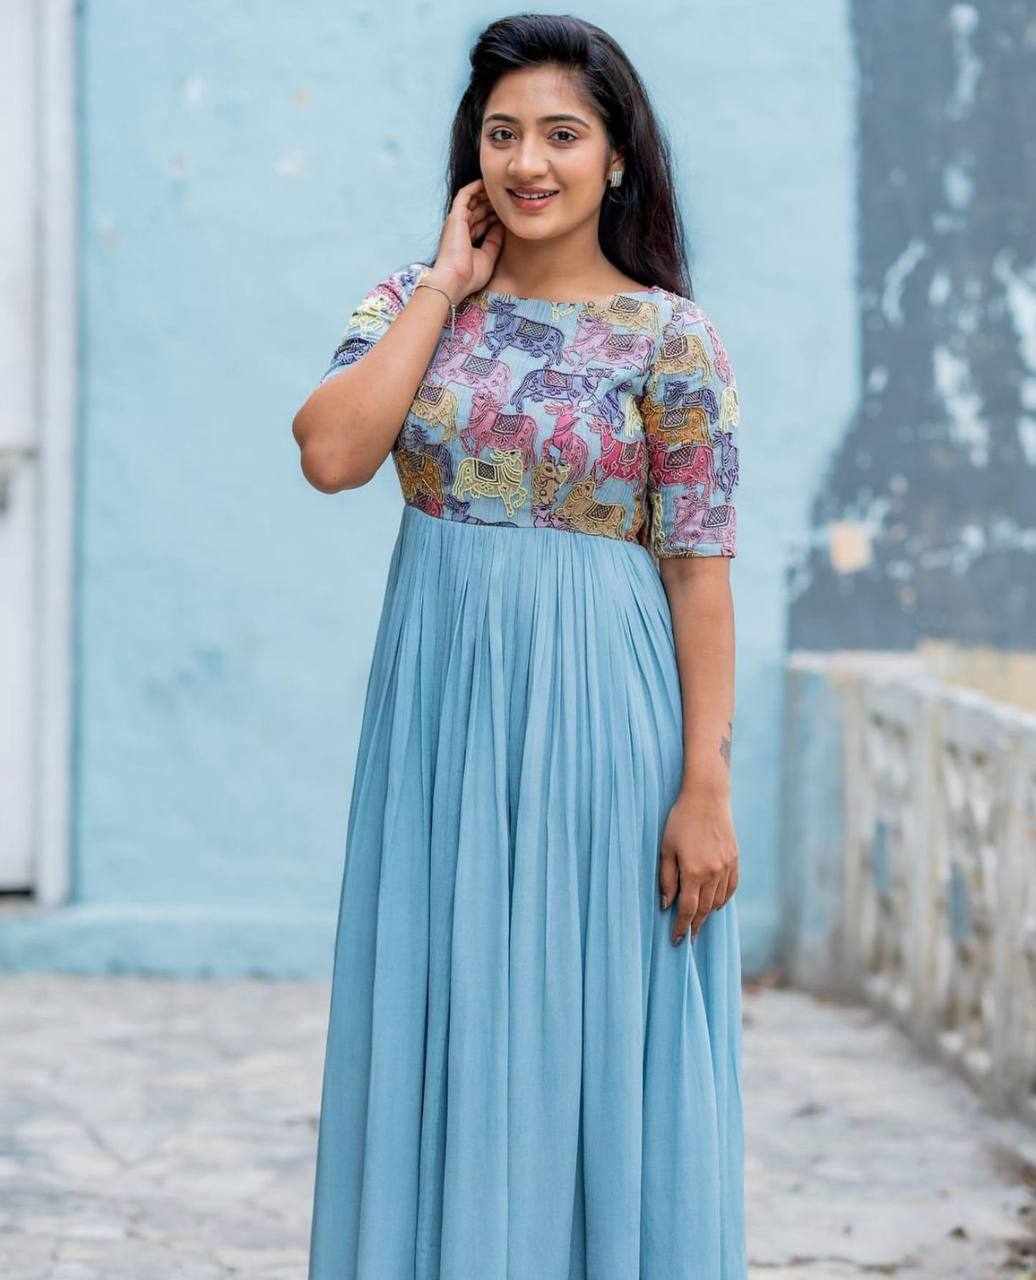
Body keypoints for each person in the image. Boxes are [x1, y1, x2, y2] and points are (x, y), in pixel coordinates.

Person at [292, 13, 745, 1279]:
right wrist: (446, 286)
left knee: (579, 1011)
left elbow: (698, 568)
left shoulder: (669, 338)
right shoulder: (412, 302)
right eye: (502, 134)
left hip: (603, 713)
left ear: (616, 155)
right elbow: (331, 454)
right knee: (443, 1000)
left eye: (560, 134)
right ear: (470, 154)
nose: (527, 162)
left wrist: (704, 782)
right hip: (440, 711)